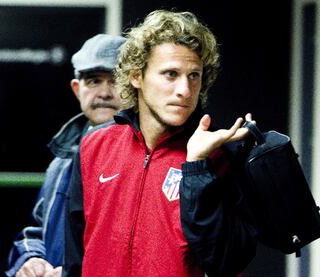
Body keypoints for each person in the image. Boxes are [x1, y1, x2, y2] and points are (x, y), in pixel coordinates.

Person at [64, 10, 258, 277]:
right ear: (136, 76)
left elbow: (225, 263)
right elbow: (75, 257)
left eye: (194, 75)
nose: (185, 90)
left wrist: (197, 167)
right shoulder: (93, 147)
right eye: (170, 74)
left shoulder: (219, 155)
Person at [5, 33, 126, 277]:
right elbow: (37, 228)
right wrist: (30, 258)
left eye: (116, 81)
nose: (104, 92)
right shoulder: (62, 160)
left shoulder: (145, 159)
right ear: (76, 89)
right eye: (93, 81)